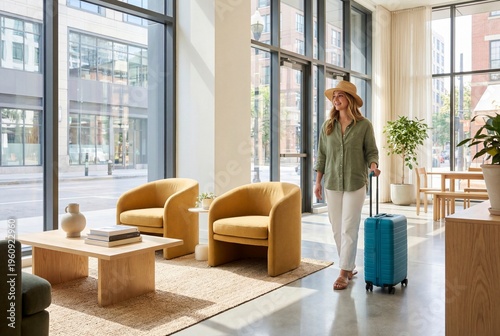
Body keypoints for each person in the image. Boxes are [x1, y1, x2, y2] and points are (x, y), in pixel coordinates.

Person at [314, 80, 381, 290]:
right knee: (336, 229)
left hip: (355, 182)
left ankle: (343, 273)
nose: (336, 99)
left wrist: (373, 166)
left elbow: (371, 151)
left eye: (340, 95)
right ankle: (349, 266)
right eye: (334, 96)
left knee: (349, 228)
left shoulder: (364, 125)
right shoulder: (328, 126)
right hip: (332, 182)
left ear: (350, 99)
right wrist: (317, 182)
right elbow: (322, 156)